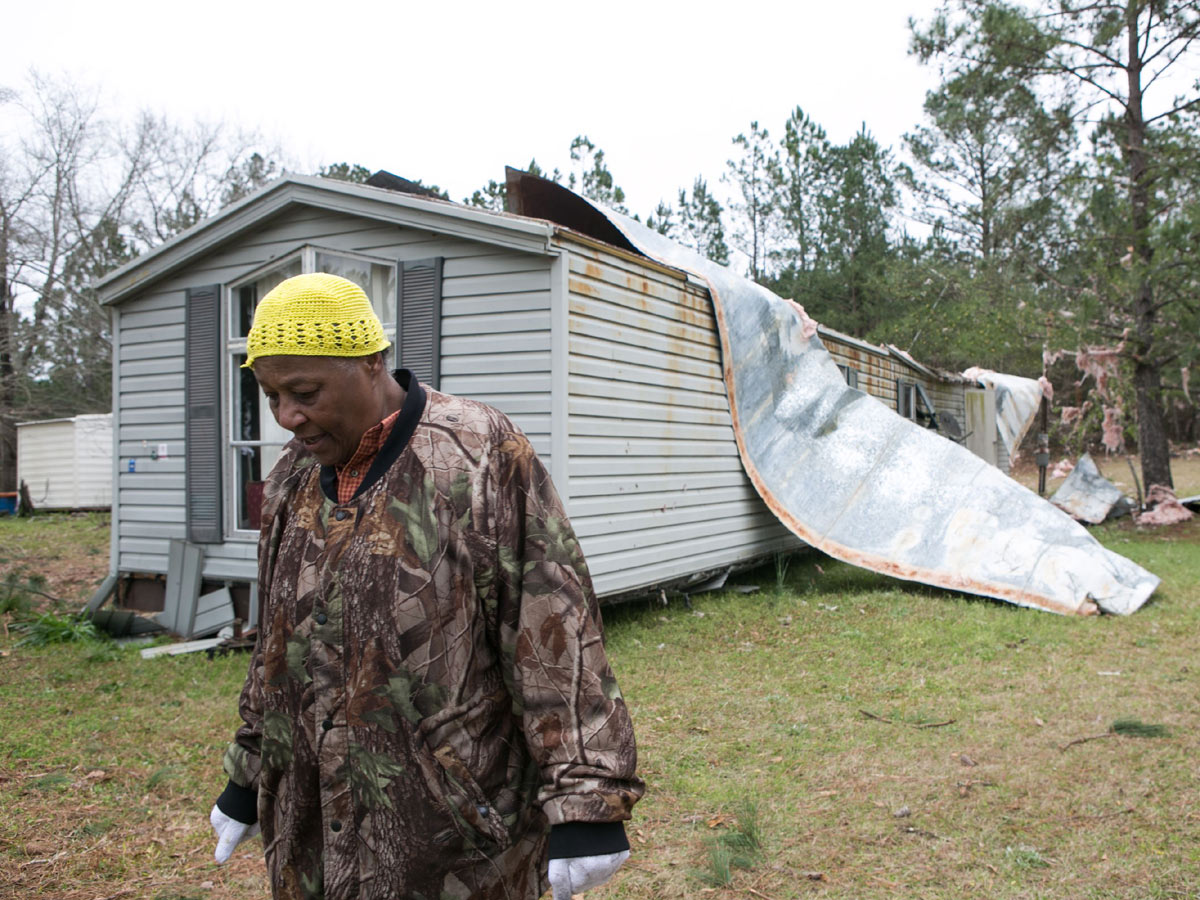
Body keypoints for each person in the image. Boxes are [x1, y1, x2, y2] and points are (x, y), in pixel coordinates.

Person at [208, 272, 643, 900]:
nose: (286, 416)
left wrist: (585, 802)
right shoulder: (289, 481)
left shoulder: (479, 454)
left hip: (454, 840)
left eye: (303, 391)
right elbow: (276, 651)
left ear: (372, 361)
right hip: (310, 834)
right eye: (270, 394)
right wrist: (249, 774)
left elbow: (553, 625)